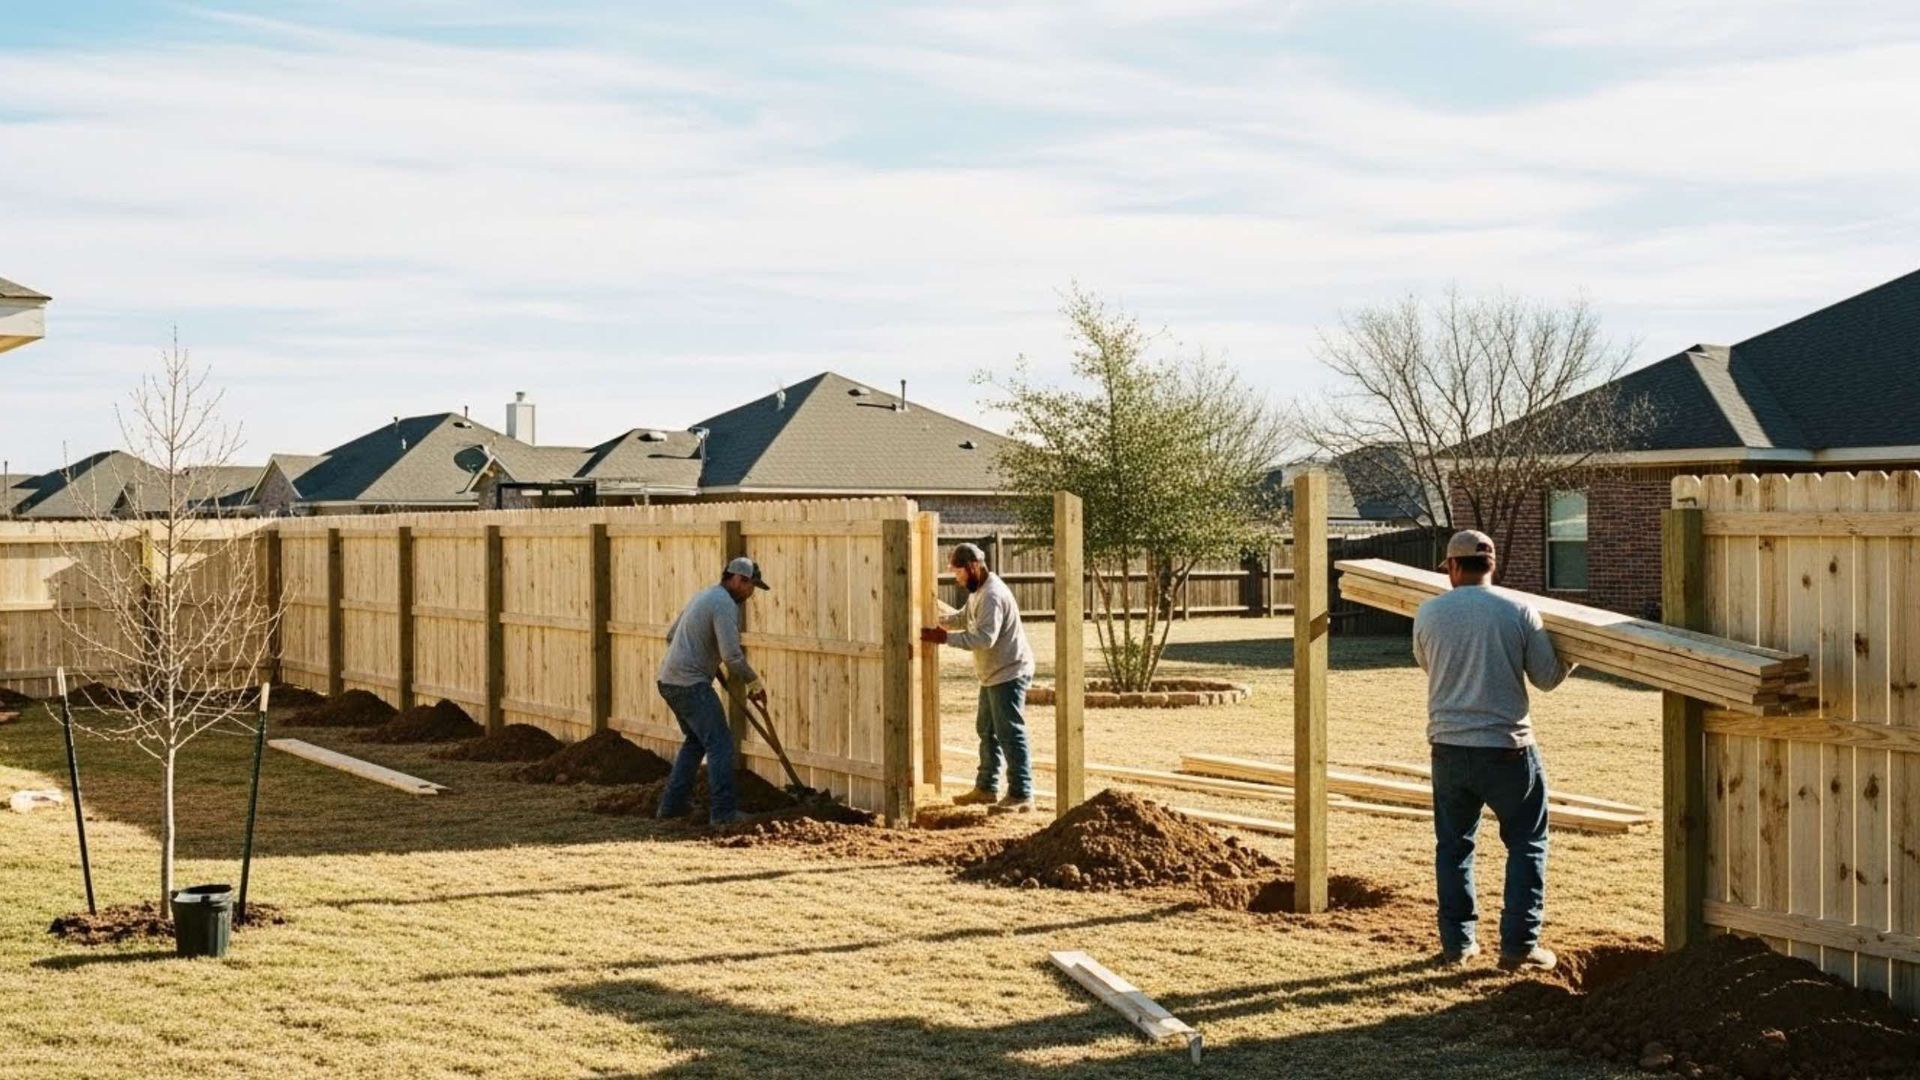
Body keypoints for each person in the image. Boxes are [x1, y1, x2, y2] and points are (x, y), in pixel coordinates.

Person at [1412, 529, 1573, 972]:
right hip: (1507, 750)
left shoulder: (1428, 613)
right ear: (1492, 565)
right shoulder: (1520, 610)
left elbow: (1425, 662)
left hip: (1447, 747)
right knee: (1526, 845)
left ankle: (1458, 945)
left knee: (1454, 847)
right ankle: (1519, 946)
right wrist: (1575, 651)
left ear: (1452, 566)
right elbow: (1546, 677)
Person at [921, 542, 1037, 814]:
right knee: (986, 730)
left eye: (959, 573)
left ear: (973, 566)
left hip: (1009, 672)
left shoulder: (992, 595)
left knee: (1010, 733)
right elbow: (964, 618)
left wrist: (944, 638)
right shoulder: (978, 592)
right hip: (992, 674)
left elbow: (985, 638)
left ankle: (1022, 793)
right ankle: (986, 788)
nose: (957, 579)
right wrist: (935, 620)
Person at [655, 556, 769, 826]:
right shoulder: (725, 605)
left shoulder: (705, 595)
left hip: (668, 681)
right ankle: (724, 814)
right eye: (751, 586)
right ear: (738, 580)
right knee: (720, 744)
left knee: (696, 742)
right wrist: (753, 682)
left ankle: (671, 806)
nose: (751, 594)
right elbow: (732, 656)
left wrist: (706, 660)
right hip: (690, 684)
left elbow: (671, 636)